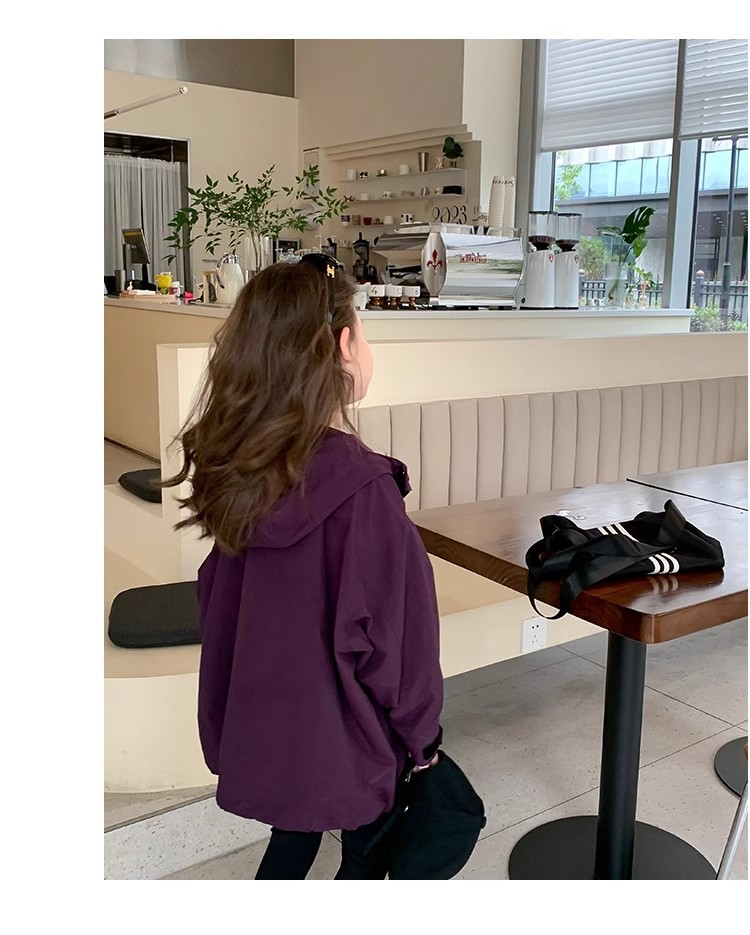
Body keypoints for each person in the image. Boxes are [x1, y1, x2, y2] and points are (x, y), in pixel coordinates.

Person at [163, 255, 444, 880]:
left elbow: (220, 606)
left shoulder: (236, 470)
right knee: (368, 852)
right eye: (363, 332)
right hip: (354, 740)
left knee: (293, 839)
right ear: (343, 345)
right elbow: (399, 647)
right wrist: (422, 741)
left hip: (270, 728)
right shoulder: (363, 491)